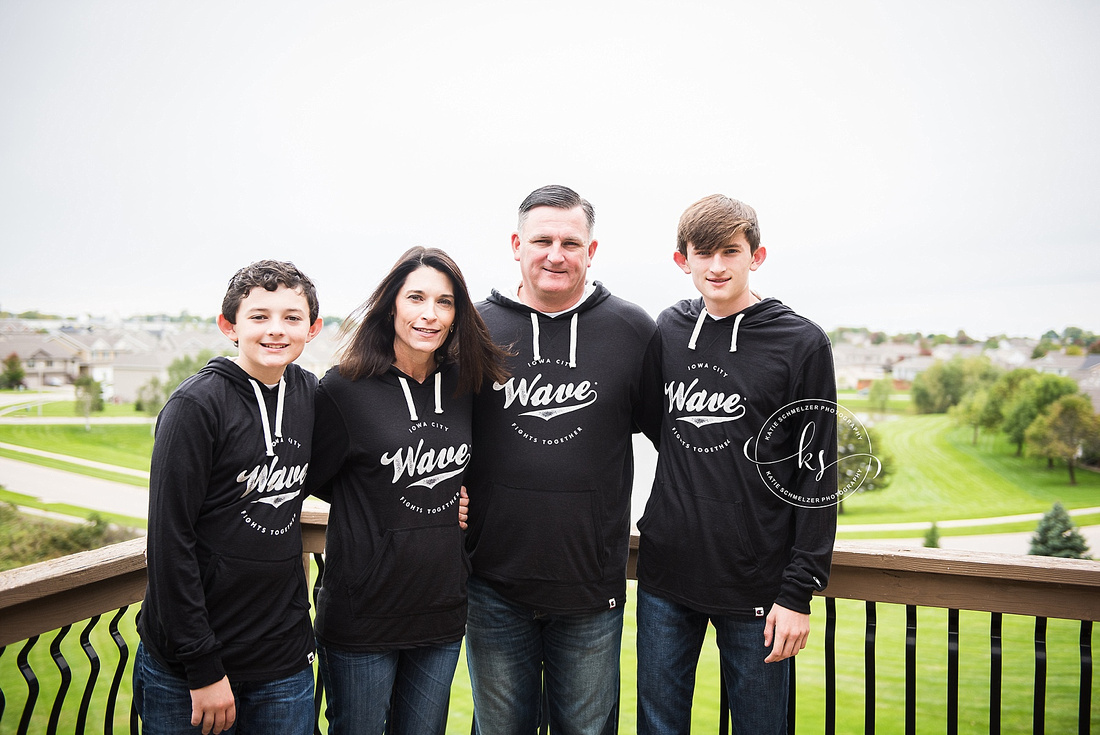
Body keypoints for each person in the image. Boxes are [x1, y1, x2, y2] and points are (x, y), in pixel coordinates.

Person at [635, 195, 839, 734]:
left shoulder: (801, 342)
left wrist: (798, 592)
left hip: (759, 586)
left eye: (731, 251)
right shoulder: (670, 330)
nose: (718, 266)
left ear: (757, 255)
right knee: (658, 726)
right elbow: (657, 425)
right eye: (704, 253)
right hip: (665, 578)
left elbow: (819, 473)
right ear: (683, 260)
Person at [463, 185, 660, 734]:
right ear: (516, 244)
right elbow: (434, 434)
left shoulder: (631, 330)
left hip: (591, 589)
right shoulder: (474, 330)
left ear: (591, 251)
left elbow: (677, 441)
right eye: (542, 240)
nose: (556, 254)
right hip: (492, 585)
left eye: (571, 242)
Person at [308, 247, 509, 735]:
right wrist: (381, 504)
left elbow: (481, 467)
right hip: (363, 613)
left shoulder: (466, 385)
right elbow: (313, 478)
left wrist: (450, 499)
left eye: (444, 302)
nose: (429, 314)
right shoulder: (343, 389)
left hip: (440, 612)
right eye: (415, 298)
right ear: (391, 305)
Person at [135, 260, 324, 735]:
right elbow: (169, 541)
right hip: (191, 668)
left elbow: (358, 473)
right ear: (229, 326)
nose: (276, 330)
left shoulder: (309, 394)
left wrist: (452, 495)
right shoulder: (195, 407)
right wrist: (202, 667)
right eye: (259, 316)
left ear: (314, 328)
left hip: (283, 662)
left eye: (292, 317)